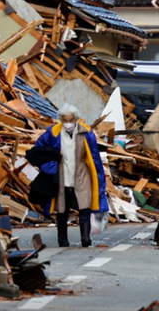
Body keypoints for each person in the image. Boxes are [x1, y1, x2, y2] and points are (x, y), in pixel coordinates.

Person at [33, 104, 108, 247]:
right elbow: (38, 151)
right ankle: (62, 239)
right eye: (65, 119)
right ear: (61, 119)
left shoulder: (86, 133)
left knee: (84, 206)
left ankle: (85, 237)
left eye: (71, 119)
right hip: (62, 175)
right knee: (62, 208)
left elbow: (94, 156)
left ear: (76, 119)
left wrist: (98, 176)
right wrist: (49, 167)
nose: (68, 123)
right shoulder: (53, 133)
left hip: (82, 173)